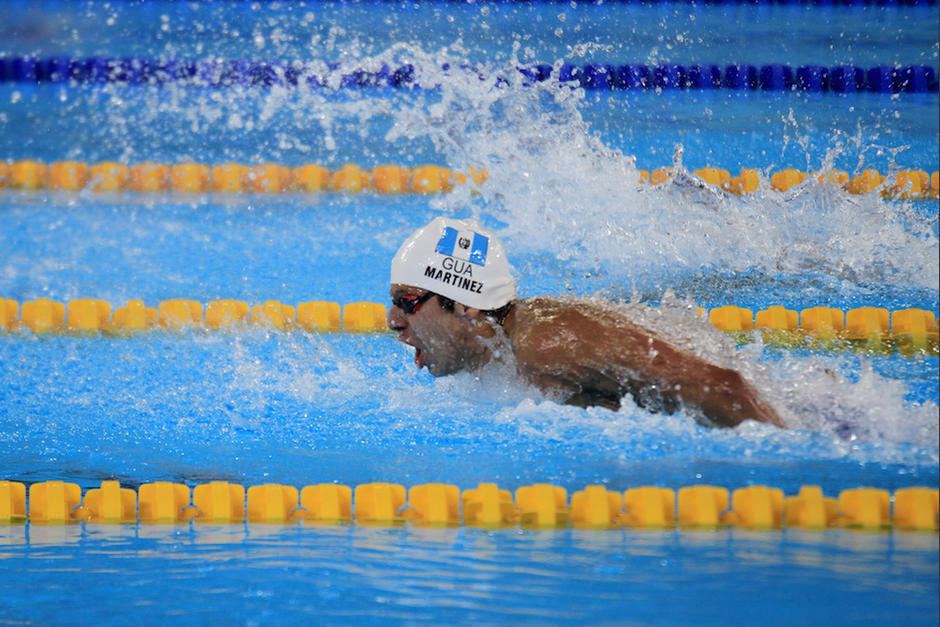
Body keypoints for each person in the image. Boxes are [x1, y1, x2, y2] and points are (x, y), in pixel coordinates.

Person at [387, 217, 784, 428]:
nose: (393, 321)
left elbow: (720, 386)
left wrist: (790, 466)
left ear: (466, 305)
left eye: (406, 302)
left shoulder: (549, 344)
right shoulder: (504, 356)